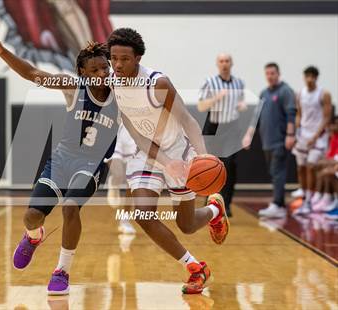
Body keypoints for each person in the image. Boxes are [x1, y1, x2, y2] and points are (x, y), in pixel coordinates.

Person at [0, 35, 119, 295]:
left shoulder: (121, 96)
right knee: (31, 217)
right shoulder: (73, 87)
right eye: (95, 69)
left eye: (105, 67)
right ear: (83, 73)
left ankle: (61, 271)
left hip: (91, 165)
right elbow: (33, 73)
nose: (102, 73)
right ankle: (34, 237)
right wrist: (2, 52)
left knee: (70, 208)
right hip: (62, 160)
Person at [107, 28, 229, 294]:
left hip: (178, 151)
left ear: (137, 58)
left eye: (124, 59)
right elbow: (137, 134)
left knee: (186, 225)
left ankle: (215, 211)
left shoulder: (158, 83)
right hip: (148, 154)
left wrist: (203, 155)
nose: (117, 64)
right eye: (113, 58)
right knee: (141, 213)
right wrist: (162, 161)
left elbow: (187, 120)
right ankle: (196, 268)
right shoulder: (113, 82)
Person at [242, 63, 296, 218]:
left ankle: (278, 205)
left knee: (278, 172)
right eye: (267, 73)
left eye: (273, 73)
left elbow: (291, 114)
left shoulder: (286, 91)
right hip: (267, 141)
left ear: (278, 74)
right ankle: (279, 204)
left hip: (280, 141)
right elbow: (256, 117)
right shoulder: (264, 93)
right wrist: (248, 135)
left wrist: (290, 135)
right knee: (274, 172)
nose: (270, 76)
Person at [198, 53, 246, 217]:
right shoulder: (210, 82)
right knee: (211, 166)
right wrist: (216, 98)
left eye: (227, 61)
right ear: (217, 64)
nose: (224, 64)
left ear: (231, 63)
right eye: (221, 61)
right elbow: (201, 106)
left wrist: (241, 106)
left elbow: (240, 103)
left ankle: (226, 202)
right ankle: (209, 200)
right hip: (214, 126)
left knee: (230, 166)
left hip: (231, 127)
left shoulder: (239, 83)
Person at [292, 66, 333, 215]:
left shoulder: (324, 94)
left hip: (318, 137)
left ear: (316, 78)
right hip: (303, 135)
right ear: (304, 77)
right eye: (307, 76)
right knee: (300, 168)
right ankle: (304, 197)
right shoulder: (300, 93)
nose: (309, 79)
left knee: (311, 167)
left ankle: (310, 201)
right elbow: (299, 114)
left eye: (312, 77)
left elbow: (327, 117)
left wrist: (315, 136)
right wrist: (297, 131)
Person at [107, 124, 137, 234]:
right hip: (113, 130)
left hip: (133, 133)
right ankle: (114, 182)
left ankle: (125, 219)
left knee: (133, 181)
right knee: (118, 174)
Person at [311, 115, 338, 212]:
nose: (332, 127)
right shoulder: (333, 136)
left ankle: (329, 198)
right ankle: (324, 197)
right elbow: (331, 155)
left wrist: (334, 167)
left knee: (328, 172)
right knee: (321, 167)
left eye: (334, 125)